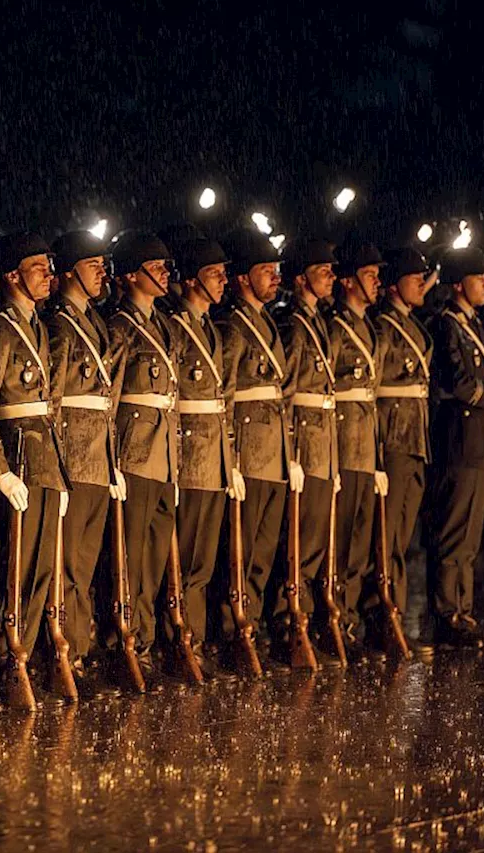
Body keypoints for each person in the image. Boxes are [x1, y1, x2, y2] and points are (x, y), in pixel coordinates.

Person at [0, 231, 67, 695]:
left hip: (45, 456)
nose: (48, 276)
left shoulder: (37, 325)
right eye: (38, 269)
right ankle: (1, 659)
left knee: (39, 571)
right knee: (13, 567)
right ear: (12, 276)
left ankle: (23, 656)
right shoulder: (0, 329)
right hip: (17, 457)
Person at [217, 230, 300, 662]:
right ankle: (234, 628)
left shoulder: (266, 320)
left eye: (276, 270)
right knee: (242, 549)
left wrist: (292, 454)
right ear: (243, 279)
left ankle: (253, 622)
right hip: (249, 448)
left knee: (264, 550)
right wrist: (229, 457)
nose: (274, 278)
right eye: (265, 270)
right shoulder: (232, 325)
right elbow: (226, 394)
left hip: (274, 451)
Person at [43, 230, 122, 681]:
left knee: (85, 563)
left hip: (96, 455)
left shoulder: (92, 320)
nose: (101, 274)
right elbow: (52, 399)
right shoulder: (60, 324)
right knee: (67, 561)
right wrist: (56, 465)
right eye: (93, 266)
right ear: (71, 270)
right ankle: (63, 652)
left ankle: (78, 649)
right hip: (71, 456)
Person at [103, 231, 180, 679]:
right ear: (132, 275)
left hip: (165, 453)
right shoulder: (120, 326)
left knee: (153, 557)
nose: (166, 273)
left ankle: (145, 640)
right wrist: (112, 458)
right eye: (157, 267)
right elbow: (110, 397)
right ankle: (122, 641)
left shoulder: (163, 324)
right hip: (135, 452)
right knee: (128, 557)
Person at [165, 238, 240, 676]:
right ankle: (181, 638)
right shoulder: (177, 327)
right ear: (192, 279)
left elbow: (222, 397)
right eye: (215, 274)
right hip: (189, 452)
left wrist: (229, 458)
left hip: (213, 454)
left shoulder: (211, 327)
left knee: (205, 559)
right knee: (187, 556)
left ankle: (193, 637)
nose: (223, 281)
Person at [426, 247, 484, 648]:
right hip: (460, 442)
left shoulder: (475, 325)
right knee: (455, 531)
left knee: (470, 536)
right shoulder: (448, 326)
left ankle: (462, 609)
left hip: (480, 443)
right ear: (459, 284)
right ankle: (447, 614)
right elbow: (463, 385)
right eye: (479, 277)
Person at [273, 239, 341, 657]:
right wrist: (292, 452)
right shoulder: (295, 325)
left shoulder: (317, 321)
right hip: (305, 439)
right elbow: (286, 393)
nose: (331, 277)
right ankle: (287, 623)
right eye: (323, 271)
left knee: (315, 541)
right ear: (302, 279)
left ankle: (304, 621)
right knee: (298, 542)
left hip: (324, 441)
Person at [327, 243, 389, 657]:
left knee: (362, 543)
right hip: (344, 444)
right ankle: (335, 622)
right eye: (369, 275)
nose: (377, 282)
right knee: (343, 540)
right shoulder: (335, 328)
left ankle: (348, 621)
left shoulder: (371, 328)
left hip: (366, 445)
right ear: (348, 281)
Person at [373, 247, 435, 656]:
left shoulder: (412, 325)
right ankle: (384, 616)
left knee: (403, 537)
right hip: (393, 437)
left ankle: (393, 616)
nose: (423, 285)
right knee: (388, 536)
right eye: (416, 279)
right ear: (395, 285)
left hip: (415, 438)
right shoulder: (383, 328)